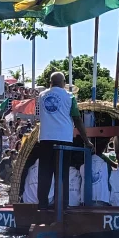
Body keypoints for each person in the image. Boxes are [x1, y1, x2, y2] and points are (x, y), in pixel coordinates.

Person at [36, 72, 93, 210]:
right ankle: (62, 204)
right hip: (64, 139)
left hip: (45, 138)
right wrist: (86, 140)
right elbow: (77, 119)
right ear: (64, 83)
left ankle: (42, 205)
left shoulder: (41, 95)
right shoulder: (70, 96)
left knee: (44, 173)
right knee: (62, 173)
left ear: (50, 82)